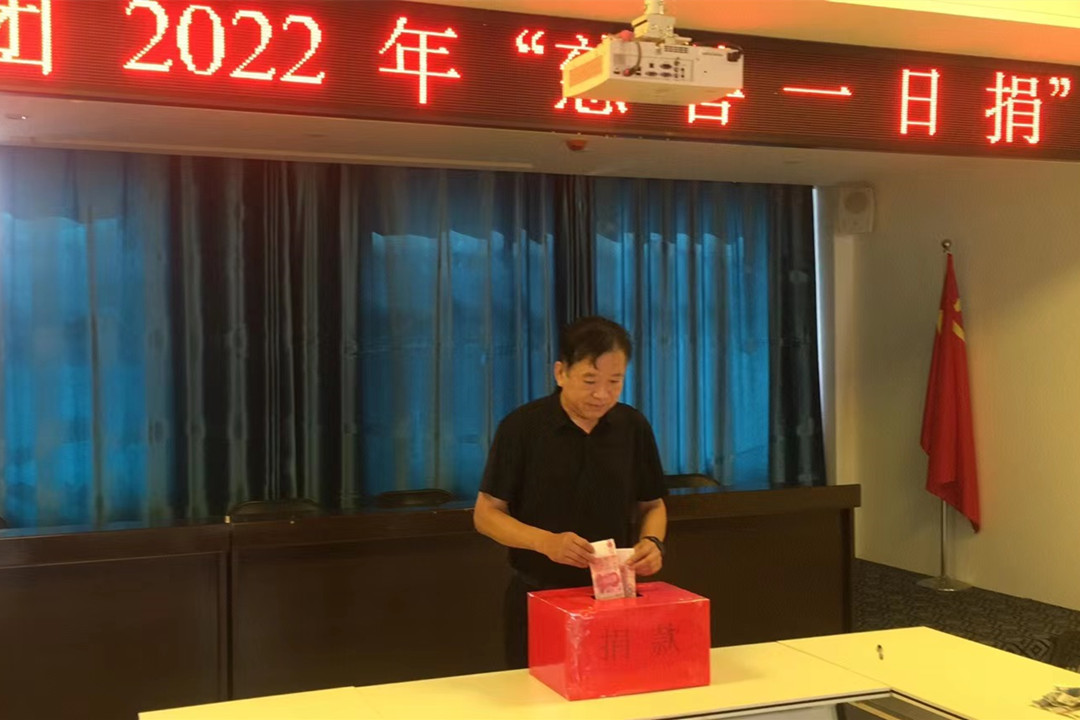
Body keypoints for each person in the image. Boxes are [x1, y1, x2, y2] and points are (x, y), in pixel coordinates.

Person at [473, 316, 668, 669]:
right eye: (590, 380)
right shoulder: (522, 427)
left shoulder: (632, 426)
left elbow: (652, 504)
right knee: (536, 692)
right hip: (539, 593)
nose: (602, 394)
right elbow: (486, 514)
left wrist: (653, 543)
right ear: (561, 373)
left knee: (615, 688)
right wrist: (546, 542)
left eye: (615, 381)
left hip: (613, 596)